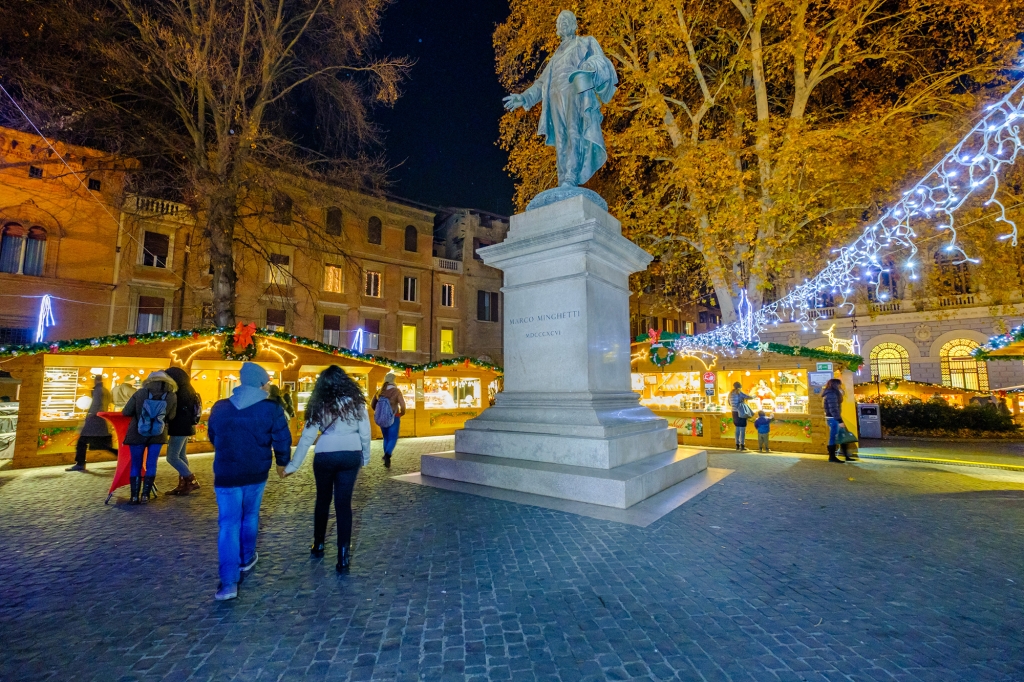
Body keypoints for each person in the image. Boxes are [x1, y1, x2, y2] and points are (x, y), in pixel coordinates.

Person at [207, 362, 292, 601]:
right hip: (256, 470)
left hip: (226, 472)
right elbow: (282, 437)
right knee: (250, 515)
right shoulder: (270, 408)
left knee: (228, 524)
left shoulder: (221, 407)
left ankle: (228, 582)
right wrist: (282, 462)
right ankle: (246, 557)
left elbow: (212, 435)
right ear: (260, 383)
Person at [283, 365, 371, 573]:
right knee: (344, 505)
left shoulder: (319, 403)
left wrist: (294, 465)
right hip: (351, 454)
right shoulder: (357, 403)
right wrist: (365, 457)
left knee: (323, 499)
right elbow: (365, 434)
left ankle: (319, 543)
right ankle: (343, 556)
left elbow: (307, 438)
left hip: (325, 453)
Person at [122, 370, 178, 504]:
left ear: (149, 381)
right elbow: (171, 416)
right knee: (151, 464)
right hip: (158, 434)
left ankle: (134, 496)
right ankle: (145, 496)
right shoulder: (172, 396)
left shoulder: (140, 393)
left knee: (136, 464)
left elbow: (126, 412)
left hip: (137, 433)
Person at [163, 366, 202, 496]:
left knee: (172, 457)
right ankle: (183, 485)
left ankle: (191, 480)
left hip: (179, 427)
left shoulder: (179, 391)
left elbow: (175, 411)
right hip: (187, 426)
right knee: (181, 456)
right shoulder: (189, 389)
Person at [67, 375, 118, 472]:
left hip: (93, 421)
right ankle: (119, 454)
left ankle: (80, 463)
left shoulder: (98, 390)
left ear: (96, 380)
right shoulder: (105, 390)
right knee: (100, 444)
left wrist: (89, 415)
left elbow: (95, 405)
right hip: (100, 422)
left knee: (82, 442)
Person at [371, 373, 406, 468]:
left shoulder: (380, 391)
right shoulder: (396, 391)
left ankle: (387, 457)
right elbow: (402, 405)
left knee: (386, 437)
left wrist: (380, 413)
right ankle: (387, 454)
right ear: (394, 380)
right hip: (394, 417)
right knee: (393, 438)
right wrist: (402, 413)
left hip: (382, 418)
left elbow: (372, 404)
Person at [822, 377, 855, 463]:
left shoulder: (833, 393)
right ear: (835, 385)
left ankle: (846, 456)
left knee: (842, 435)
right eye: (839, 384)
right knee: (833, 437)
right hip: (833, 419)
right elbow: (833, 409)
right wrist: (840, 421)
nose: (840, 386)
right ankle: (832, 457)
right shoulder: (831, 394)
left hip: (835, 418)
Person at [728, 382, 752, 451]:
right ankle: (742, 445)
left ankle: (737, 445)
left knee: (737, 428)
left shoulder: (730, 394)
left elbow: (729, 403)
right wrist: (754, 396)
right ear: (740, 387)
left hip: (734, 412)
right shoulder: (739, 393)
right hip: (740, 411)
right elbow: (748, 397)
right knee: (742, 429)